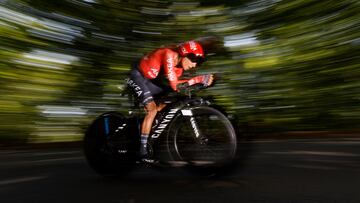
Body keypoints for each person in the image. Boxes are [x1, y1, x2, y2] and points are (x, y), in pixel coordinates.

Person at [126, 40, 214, 162]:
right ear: (184, 54)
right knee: (152, 109)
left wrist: (200, 85)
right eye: (194, 60)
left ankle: (147, 130)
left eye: (198, 63)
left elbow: (178, 88)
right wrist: (199, 79)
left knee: (168, 100)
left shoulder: (179, 69)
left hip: (149, 80)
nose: (195, 65)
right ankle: (142, 150)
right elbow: (175, 85)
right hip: (138, 75)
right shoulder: (169, 54)